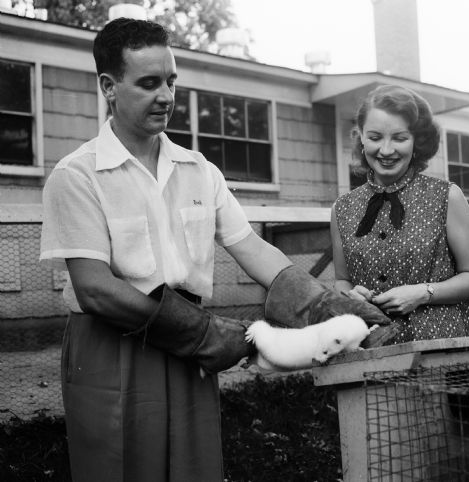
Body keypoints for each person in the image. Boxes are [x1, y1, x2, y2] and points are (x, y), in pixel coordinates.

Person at [39, 18, 389, 482]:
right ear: (108, 85)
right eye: (148, 83)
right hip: (113, 347)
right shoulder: (77, 174)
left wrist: (327, 306)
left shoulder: (199, 169)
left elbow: (252, 248)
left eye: (170, 80)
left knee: (193, 469)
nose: (165, 95)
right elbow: (95, 289)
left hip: (187, 347)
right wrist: (205, 335)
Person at [331, 85, 469, 344]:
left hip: (443, 345)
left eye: (399, 138)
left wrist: (422, 293)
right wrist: (352, 295)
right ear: (360, 137)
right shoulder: (342, 209)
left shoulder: (447, 197)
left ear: (417, 140)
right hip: (370, 345)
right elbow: (341, 281)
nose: (386, 150)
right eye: (375, 137)